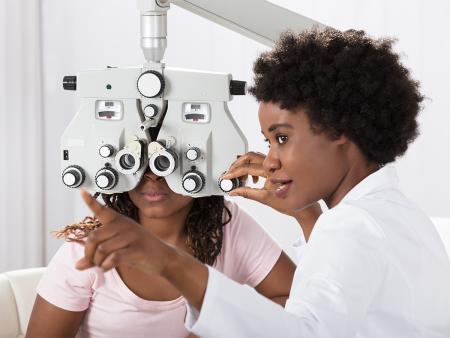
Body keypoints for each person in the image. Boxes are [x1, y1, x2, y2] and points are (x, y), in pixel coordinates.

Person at [48, 28, 450, 337]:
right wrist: (307, 215)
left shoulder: (351, 226)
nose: (270, 160)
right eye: (268, 141)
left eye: (282, 138)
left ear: (339, 130)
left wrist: (169, 262)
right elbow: (334, 309)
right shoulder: (399, 216)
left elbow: (302, 332)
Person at [26, 170, 297, 338]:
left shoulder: (230, 226)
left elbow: (298, 303)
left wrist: (221, 323)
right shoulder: (89, 246)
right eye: (140, 161)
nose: (153, 176)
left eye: (168, 161)